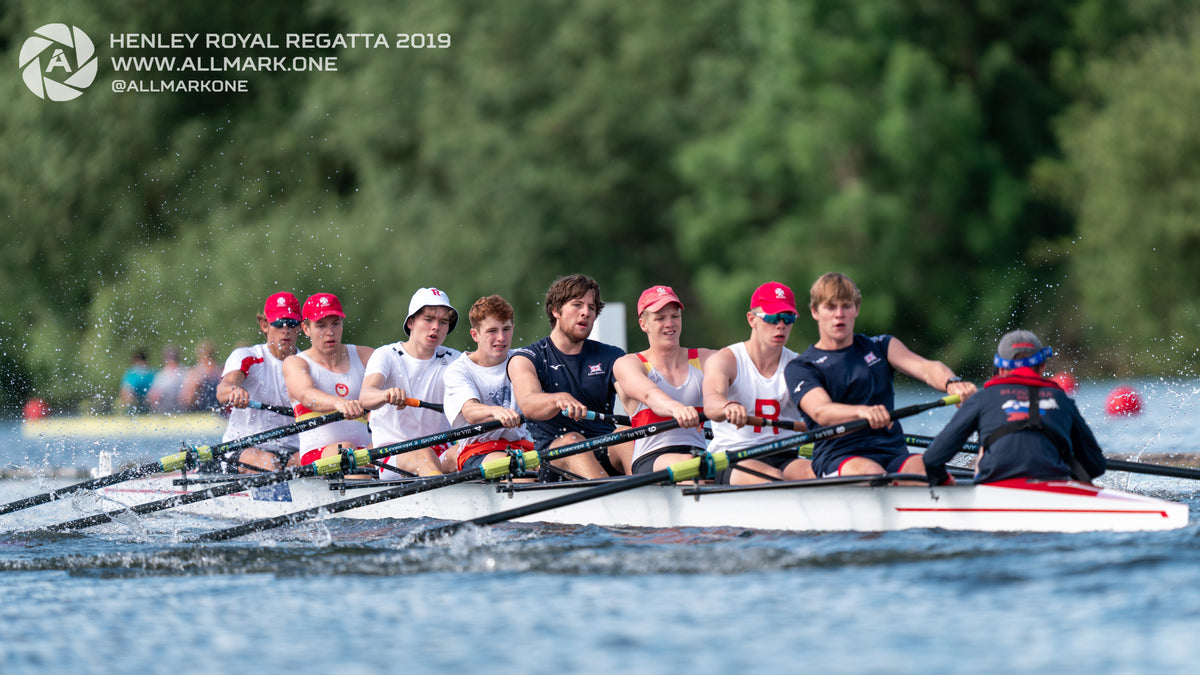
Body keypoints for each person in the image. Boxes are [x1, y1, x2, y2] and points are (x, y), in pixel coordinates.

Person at [786, 272, 977, 479]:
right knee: (873, 474)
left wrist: (952, 383)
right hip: (839, 456)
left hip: (892, 452)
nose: (839, 314)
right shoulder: (801, 367)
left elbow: (926, 368)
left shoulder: (881, 346)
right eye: (831, 307)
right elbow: (821, 412)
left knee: (932, 471)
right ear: (815, 311)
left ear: (856, 309)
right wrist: (862, 412)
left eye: (846, 306)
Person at [923, 330, 1106, 486]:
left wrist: (944, 484)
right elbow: (1096, 465)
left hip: (995, 495)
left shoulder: (982, 399)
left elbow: (931, 460)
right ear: (1042, 367)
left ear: (1001, 370)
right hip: (1054, 491)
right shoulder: (1062, 399)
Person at [509, 274, 629, 480]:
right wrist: (557, 399)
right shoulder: (527, 358)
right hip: (555, 457)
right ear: (556, 311)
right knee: (573, 440)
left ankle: (653, 495)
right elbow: (529, 403)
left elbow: (633, 400)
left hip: (604, 448)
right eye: (577, 305)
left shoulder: (612, 356)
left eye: (592, 308)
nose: (586, 313)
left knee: (628, 433)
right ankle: (612, 498)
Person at [702, 282, 814, 484]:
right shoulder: (726, 360)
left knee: (821, 474)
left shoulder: (799, 366)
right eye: (772, 317)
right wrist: (728, 406)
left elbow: (821, 408)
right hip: (733, 456)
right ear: (751, 319)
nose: (781, 325)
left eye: (788, 318)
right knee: (772, 479)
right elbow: (711, 403)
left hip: (784, 457)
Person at [361, 287, 463, 478]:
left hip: (441, 450)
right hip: (392, 456)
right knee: (424, 455)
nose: (436, 327)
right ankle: (444, 496)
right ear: (411, 322)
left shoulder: (454, 360)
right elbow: (366, 397)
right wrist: (385, 395)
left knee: (479, 452)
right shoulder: (386, 355)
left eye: (443, 322)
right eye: (428, 319)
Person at [614, 285, 710, 475]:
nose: (670, 323)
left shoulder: (704, 358)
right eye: (660, 318)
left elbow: (741, 370)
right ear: (644, 324)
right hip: (650, 459)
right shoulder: (629, 364)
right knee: (692, 464)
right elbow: (650, 394)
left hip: (699, 456)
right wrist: (677, 408)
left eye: (675, 316)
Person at [210, 292, 304, 473]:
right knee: (270, 464)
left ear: (300, 327)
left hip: (294, 451)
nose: (286, 330)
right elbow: (223, 389)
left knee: (323, 460)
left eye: (292, 323)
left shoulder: (308, 364)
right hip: (245, 448)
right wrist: (233, 391)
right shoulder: (248, 357)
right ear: (265, 325)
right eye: (278, 323)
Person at [441, 295, 534, 475]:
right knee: (521, 468)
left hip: (522, 447)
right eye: (492, 331)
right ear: (475, 335)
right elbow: (470, 411)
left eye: (506, 329)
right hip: (478, 450)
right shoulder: (458, 370)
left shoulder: (523, 360)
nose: (501, 337)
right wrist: (495, 411)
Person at [284, 292, 373, 466]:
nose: (330, 332)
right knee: (347, 450)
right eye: (321, 326)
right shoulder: (296, 362)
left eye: (335, 323)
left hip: (363, 452)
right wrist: (338, 403)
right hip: (316, 457)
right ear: (306, 329)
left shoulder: (365, 355)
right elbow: (306, 394)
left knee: (384, 447)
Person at [180, 340, 224, 412]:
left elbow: (185, 400)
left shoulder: (194, 374)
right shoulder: (221, 372)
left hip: (198, 415)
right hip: (216, 413)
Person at [146, 345, 185, 413]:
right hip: (163, 408)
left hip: (179, 408)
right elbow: (152, 396)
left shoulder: (183, 373)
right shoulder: (161, 375)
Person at [118, 349, 155, 414]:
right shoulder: (132, 374)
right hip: (137, 400)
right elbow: (125, 391)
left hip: (147, 400)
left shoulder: (133, 373)